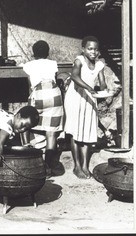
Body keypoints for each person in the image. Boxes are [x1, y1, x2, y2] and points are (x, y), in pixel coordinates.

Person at [64, 36, 108, 179]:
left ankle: (84, 166)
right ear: (83, 49)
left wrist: (105, 89)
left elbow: (102, 84)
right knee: (76, 131)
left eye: (95, 49)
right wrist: (90, 88)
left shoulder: (99, 64)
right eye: (90, 49)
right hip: (75, 97)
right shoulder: (79, 60)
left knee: (88, 131)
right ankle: (77, 166)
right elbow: (75, 77)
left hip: (89, 99)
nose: (93, 52)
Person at [22, 40, 64, 177]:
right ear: (48, 53)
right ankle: (48, 167)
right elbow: (55, 79)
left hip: (38, 95)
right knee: (51, 133)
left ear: (33, 53)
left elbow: (30, 85)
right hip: (54, 95)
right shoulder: (53, 64)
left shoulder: (28, 65)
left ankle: (30, 158)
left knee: (28, 125)